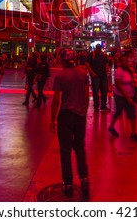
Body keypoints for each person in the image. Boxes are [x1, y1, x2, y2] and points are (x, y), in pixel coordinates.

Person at [49, 49, 91, 200]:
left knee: (65, 151)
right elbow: (86, 97)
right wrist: (83, 113)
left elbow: (56, 101)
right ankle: (84, 180)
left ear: (62, 60)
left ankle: (68, 184)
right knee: (80, 148)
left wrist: (52, 119)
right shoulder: (83, 74)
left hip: (65, 116)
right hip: (80, 116)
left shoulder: (60, 76)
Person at [109, 54, 137, 143]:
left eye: (126, 60)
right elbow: (118, 85)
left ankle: (134, 133)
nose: (125, 62)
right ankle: (111, 127)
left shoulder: (129, 70)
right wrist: (127, 97)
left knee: (132, 114)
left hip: (130, 95)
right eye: (123, 60)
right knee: (118, 112)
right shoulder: (119, 71)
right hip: (120, 96)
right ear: (120, 62)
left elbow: (133, 83)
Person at [86, 44, 110, 112]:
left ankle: (103, 106)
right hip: (95, 76)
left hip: (103, 76)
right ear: (96, 48)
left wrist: (107, 67)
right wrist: (92, 73)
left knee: (104, 91)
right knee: (95, 92)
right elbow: (87, 63)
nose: (99, 50)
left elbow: (106, 62)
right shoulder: (92, 55)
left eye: (99, 49)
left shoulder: (103, 55)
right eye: (98, 49)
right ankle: (96, 106)